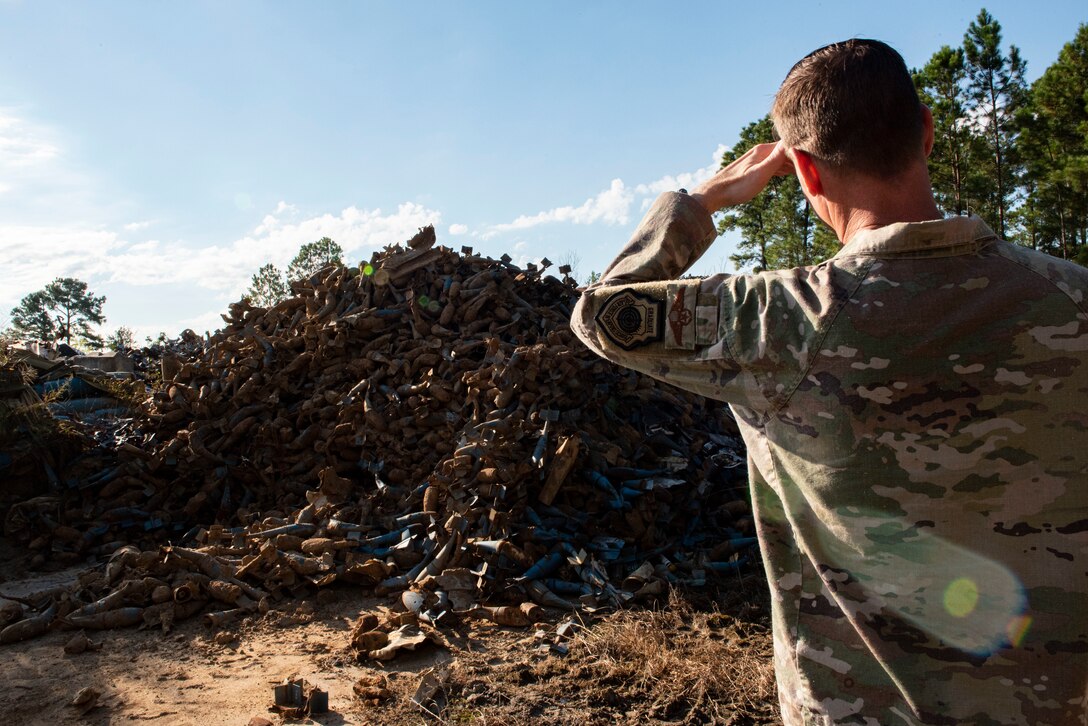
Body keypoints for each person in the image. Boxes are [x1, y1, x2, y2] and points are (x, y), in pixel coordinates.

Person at [571, 39, 1088, 725]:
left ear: (806, 174)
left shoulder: (782, 322)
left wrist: (702, 203)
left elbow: (604, 314)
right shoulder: (1073, 299)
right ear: (927, 132)